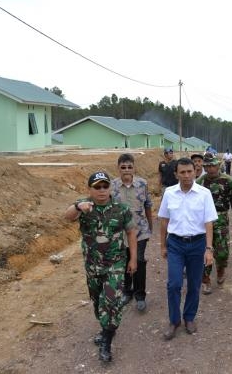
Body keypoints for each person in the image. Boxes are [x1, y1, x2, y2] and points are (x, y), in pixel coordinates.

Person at [64, 171, 138, 362]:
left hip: (115, 264)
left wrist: (133, 259)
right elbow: (67, 217)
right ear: (90, 189)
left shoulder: (121, 209)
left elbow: (131, 233)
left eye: (105, 186)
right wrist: (77, 206)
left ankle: (106, 340)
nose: (102, 190)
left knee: (112, 302)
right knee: (98, 303)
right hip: (92, 266)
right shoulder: (84, 206)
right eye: (97, 187)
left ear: (110, 188)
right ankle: (105, 328)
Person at [158, 157, 218, 340]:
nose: (186, 175)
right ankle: (174, 320)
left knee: (194, 283)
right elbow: (163, 221)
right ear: (176, 174)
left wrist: (209, 249)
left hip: (197, 244)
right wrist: (162, 245)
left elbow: (209, 222)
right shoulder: (169, 193)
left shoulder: (204, 193)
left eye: (189, 171)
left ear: (195, 171)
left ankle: (189, 317)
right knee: (174, 284)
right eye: (182, 172)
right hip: (175, 243)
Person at [111, 153, 153, 312]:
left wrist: (150, 225)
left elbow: (148, 205)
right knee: (124, 261)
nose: (127, 170)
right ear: (118, 169)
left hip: (140, 230)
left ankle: (140, 295)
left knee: (139, 261)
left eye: (130, 167)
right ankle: (127, 291)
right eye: (123, 167)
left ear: (134, 168)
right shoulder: (112, 186)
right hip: (120, 232)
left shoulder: (143, 184)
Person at [197, 153, 232, 294]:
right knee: (205, 250)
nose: (210, 169)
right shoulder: (200, 182)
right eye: (207, 166)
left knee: (222, 252)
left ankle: (221, 269)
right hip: (203, 221)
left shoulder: (227, 180)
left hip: (221, 218)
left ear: (218, 165)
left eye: (213, 165)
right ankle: (205, 279)